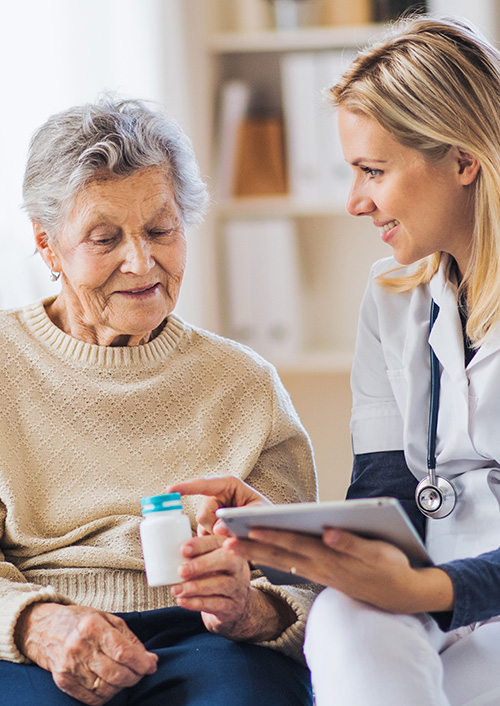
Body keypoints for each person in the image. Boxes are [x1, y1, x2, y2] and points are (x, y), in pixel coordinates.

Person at [170, 15, 500, 706]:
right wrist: (293, 535)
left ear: (463, 160)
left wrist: (429, 589)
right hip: (434, 603)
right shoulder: (392, 299)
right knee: (345, 619)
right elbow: (391, 499)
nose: (354, 201)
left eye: (373, 170)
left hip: (464, 597)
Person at [0, 96, 318, 706]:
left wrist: (253, 609)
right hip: (40, 629)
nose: (141, 262)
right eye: (104, 238)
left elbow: (304, 582)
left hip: (208, 638)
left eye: (160, 230)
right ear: (47, 246)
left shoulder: (242, 383)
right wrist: (36, 624)